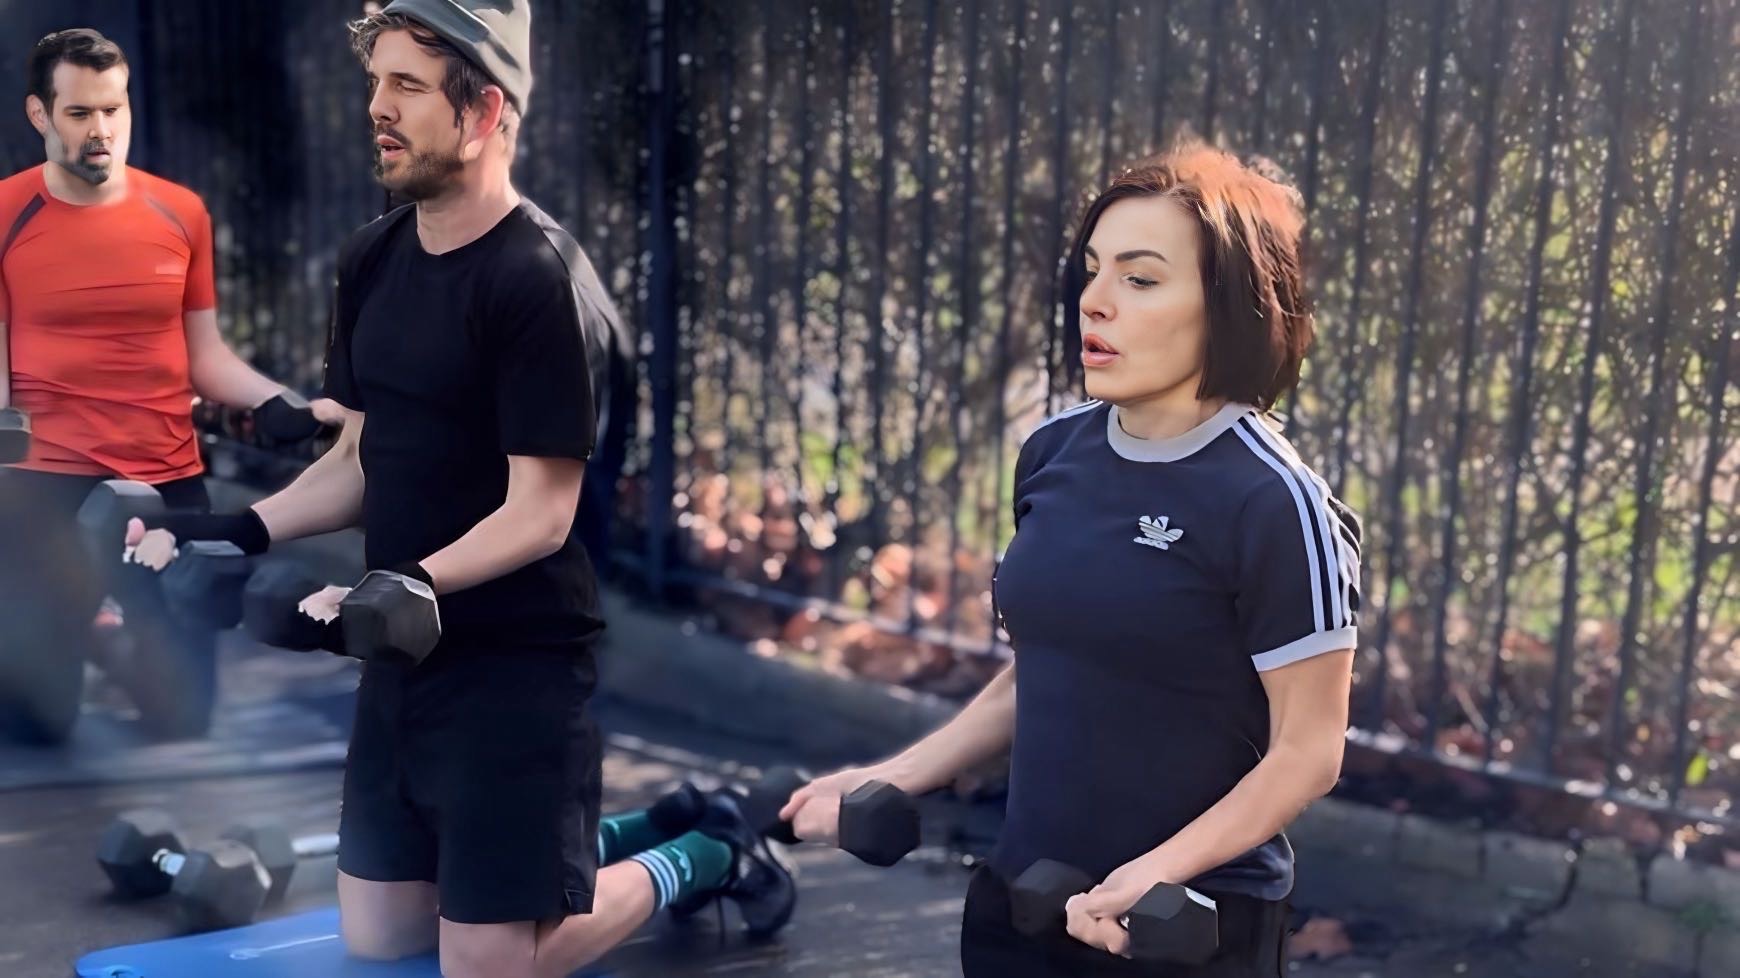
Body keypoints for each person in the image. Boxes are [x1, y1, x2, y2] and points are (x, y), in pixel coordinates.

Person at [126, 4, 789, 977]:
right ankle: (632, 829)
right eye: (376, 81)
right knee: (383, 936)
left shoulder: (539, 282)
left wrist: (412, 581)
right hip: (401, 658)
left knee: (488, 963)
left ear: (485, 113)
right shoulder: (373, 259)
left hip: (514, 672)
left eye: (407, 87)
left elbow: (543, 511)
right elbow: (359, 460)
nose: (376, 108)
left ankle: (707, 851)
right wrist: (240, 531)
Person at [779, 140, 1362, 977]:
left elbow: (1308, 751)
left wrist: (1156, 871)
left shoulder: (1276, 500)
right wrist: (893, 776)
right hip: (1022, 901)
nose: (1094, 301)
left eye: (1141, 278)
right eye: (1092, 270)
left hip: (1180, 926)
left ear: (1227, 304)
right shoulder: (1054, 452)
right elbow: (1040, 670)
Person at [0, 27, 340, 744]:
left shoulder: (179, 213)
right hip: (44, 488)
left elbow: (204, 355)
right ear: (40, 115)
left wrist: (279, 403)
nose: (102, 131)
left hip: (162, 486)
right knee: (37, 727)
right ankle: (69, 630)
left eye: (114, 111)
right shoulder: (6, 214)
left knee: (182, 721)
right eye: (80, 113)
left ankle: (105, 638)